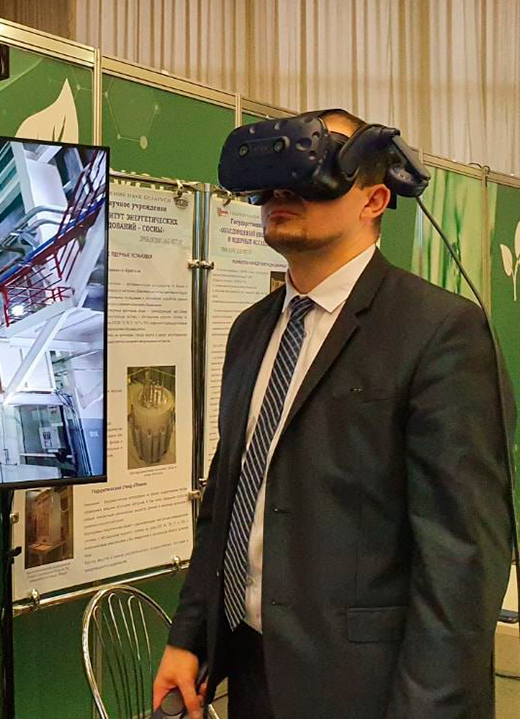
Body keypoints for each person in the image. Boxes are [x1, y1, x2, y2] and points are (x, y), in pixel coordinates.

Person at [153, 110, 515, 718]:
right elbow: (228, 499)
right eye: (271, 181)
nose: (281, 193)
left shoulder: (440, 332)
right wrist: (189, 637)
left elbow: (462, 559)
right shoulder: (251, 331)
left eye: (311, 172)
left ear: (374, 199)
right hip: (252, 672)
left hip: (368, 689)